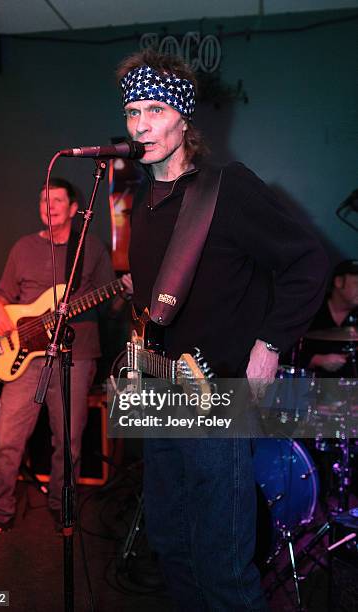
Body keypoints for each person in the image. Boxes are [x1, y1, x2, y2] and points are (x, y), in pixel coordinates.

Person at [116, 49, 328, 610]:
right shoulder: (140, 201)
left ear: (184, 118)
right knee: (172, 546)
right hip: (160, 394)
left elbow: (309, 261)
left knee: (221, 562)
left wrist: (270, 343)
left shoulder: (225, 188)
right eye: (132, 110)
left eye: (155, 109)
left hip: (215, 396)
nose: (140, 124)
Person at [0, 177, 132, 545]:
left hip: (76, 353)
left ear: (73, 209)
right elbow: (1, 293)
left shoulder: (92, 248)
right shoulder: (22, 247)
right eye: (43, 201)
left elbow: (111, 308)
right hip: (22, 355)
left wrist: (124, 292)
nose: (48, 206)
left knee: (67, 440)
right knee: (6, 438)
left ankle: (61, 506)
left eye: (56, 200)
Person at [300, 259, 358, 378]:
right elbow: (289, 351)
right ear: (338, 282)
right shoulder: (312, 308)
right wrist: (316, 360)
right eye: (357, 283)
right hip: (310, 386)